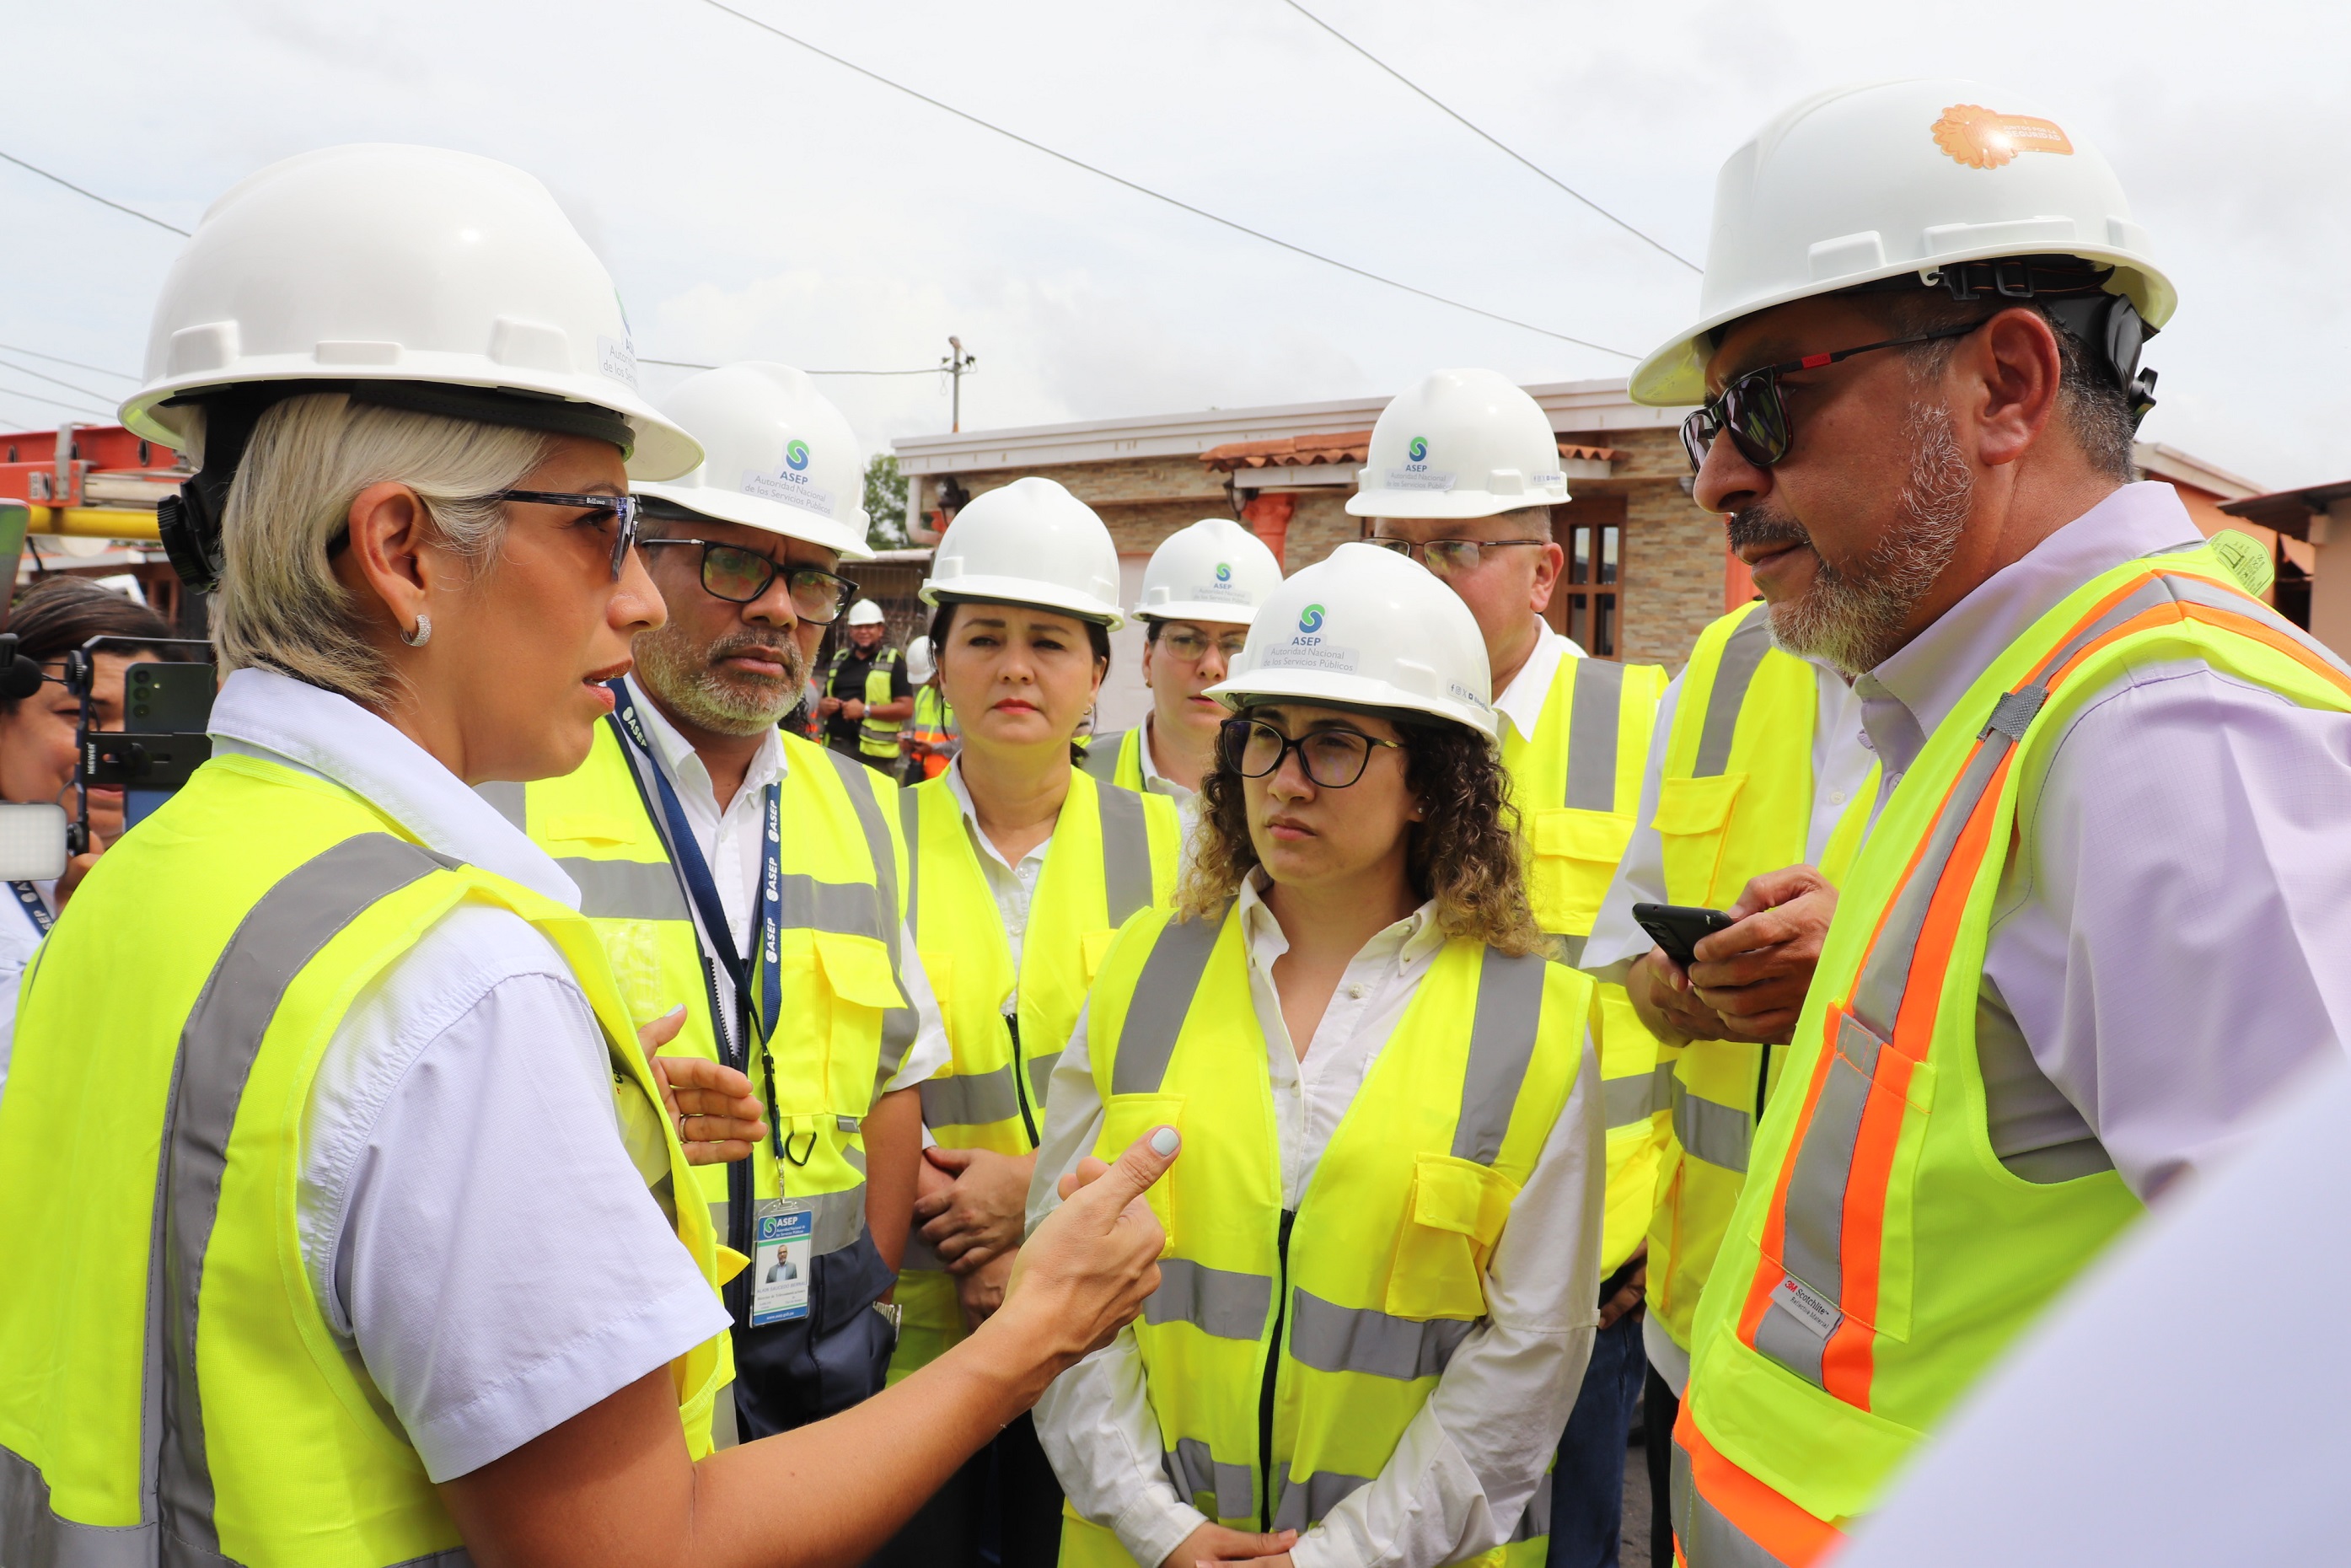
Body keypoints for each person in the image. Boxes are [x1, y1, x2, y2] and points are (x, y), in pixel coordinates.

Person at [0, 142, 1178, 1568]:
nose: (632, 599)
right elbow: (645, 1547)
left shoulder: (149, 879)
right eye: (605, 529)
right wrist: (1038, 1331)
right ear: (401, 550)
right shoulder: (450, 985)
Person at [1633, 79, 2351, 1564]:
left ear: (2007, 387)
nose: (1712, 475)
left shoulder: (2164, 734)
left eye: (1760, 400)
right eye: (1707, 419)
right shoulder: (1988, 706)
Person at [1032, 541, 1607, 1568]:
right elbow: (1060, 1284)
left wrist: (1334, 1558)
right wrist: (1158, 1529)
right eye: (1264, 737)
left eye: (1333, 745)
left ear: (1431, 780)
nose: (1286, 781)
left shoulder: (1540, 1026)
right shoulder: (1138, 972)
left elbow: (1528, 1361)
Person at [483, 360, 951, 1440]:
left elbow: (894, 1075)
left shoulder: (862, 807)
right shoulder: (517, 785)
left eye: (812, 578)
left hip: (820, 1337)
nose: (781, 609)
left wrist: (870, 1278)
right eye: (738, 563)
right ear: (635, 555)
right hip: (599, 1324)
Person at [1350, 368, 1667, 1567]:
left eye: (1456, 548)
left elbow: (1701, 1005)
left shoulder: (1651, 730)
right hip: (1384, 1247)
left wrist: (1646, 1233)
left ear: (1543, 569)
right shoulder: (1349, 732)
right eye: (1395, 546)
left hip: (1591, 1275)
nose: (1420, 577)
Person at [879, 475, 1185, 1566]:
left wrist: (1036, 1204)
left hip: (1108, 1339)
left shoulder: (1176, 856)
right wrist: (948, 1210)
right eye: (987, 637)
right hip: (915, 1333)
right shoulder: (864, 836)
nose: (1016, 668)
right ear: (939, 658)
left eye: (1051, 642)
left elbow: (1203, 1084)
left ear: (1099, 671)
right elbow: (828, 1065)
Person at [1576, 595, 1881, 1554]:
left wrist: (1857, 968)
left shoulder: (2033, 664)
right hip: (1701, 1317)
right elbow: (1627, 937)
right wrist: (1662, 988)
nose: (1720, 483)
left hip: (1893, 1373)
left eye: (1771, 436)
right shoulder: (1723, 661)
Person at [0, 578, 179, 1099]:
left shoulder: (191, 867)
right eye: (79, 716)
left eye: (148, 717)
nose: (121, 745)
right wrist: (71, 955)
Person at [1081, 516, 1283, 828]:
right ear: (1147, 659)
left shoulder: (1289, 789)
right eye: (1187, 640)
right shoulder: (1072, 771)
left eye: (1235, 646)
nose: (1211, 668)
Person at [820, 598, 913, 771]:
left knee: (871, 798)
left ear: (880, 630)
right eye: (858, 627)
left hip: (874, 757)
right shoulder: (840, 659)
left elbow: (906, 708)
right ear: (851, 630)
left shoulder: (893, 661)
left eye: (869, 627)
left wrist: (865, 710)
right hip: (835, 747)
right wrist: (825, 706)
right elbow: (825, 700)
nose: (864, 631)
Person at [900, 634, 958, 784]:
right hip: (920, 777)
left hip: (949, 781)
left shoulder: (960, 696)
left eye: (928, 678)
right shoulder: (924, 694)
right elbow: (917, 730)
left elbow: (969, 745)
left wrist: (934, 748)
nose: (926, 684)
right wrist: (909, 740)